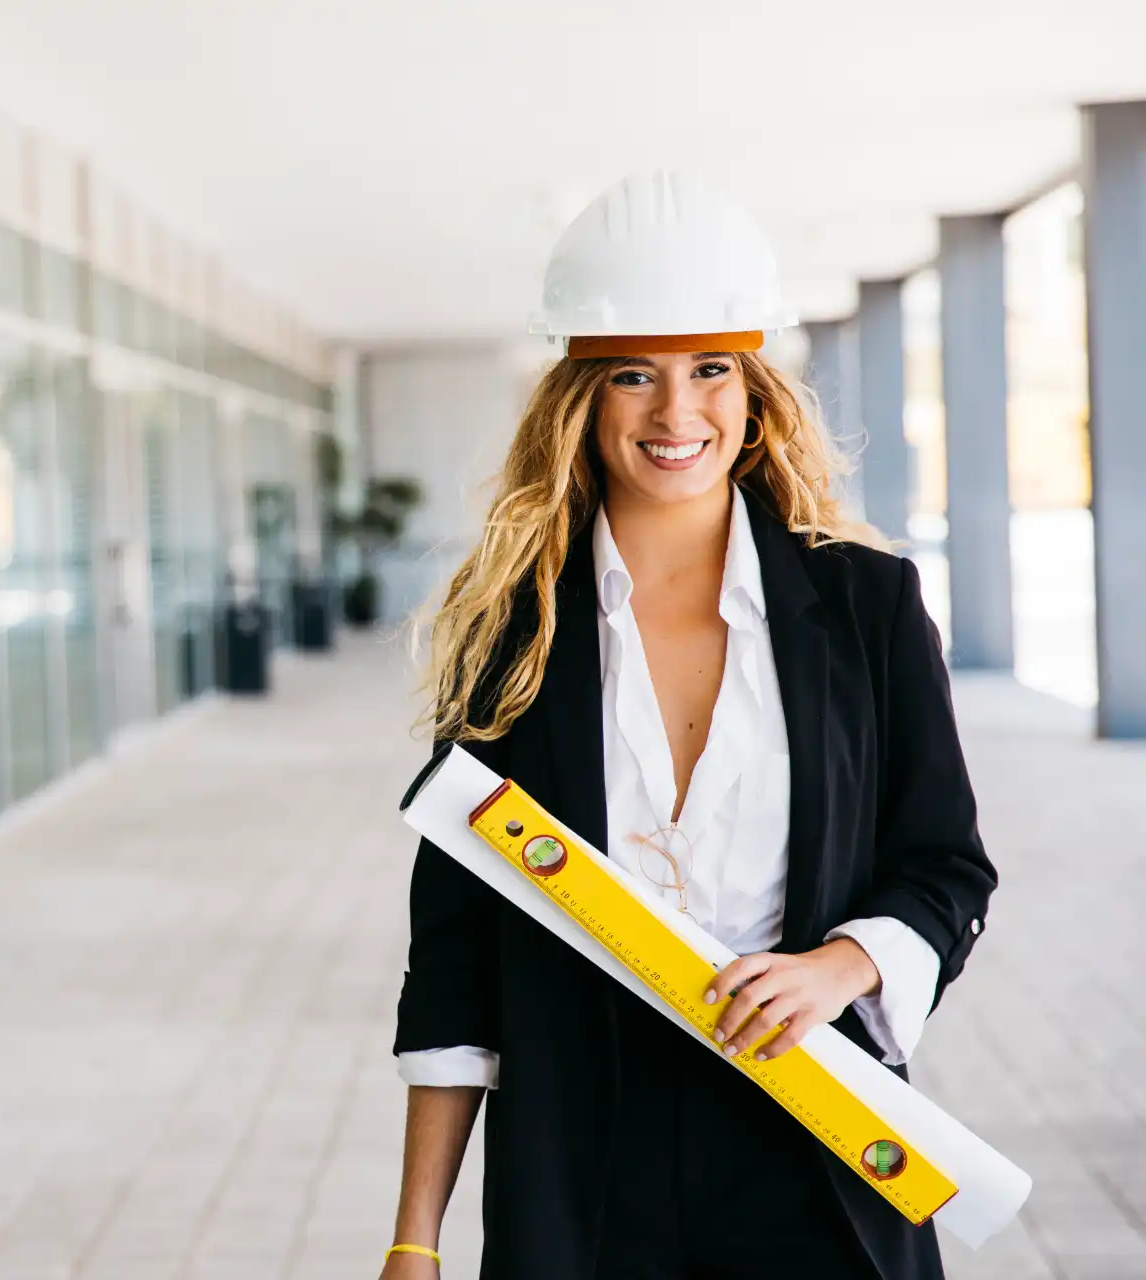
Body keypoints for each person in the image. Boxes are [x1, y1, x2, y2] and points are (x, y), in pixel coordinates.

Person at [380, 172, 997, 1280]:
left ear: (755, 389)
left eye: (711, 368)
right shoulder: (513, 629)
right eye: (634, 376)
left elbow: (945, 866)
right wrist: (414, 1236)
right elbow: (455, 952)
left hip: (816, 1144)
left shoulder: (867, 608)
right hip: (582, 1167)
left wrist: (842, 963)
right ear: (581, 396)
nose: (677, 414)